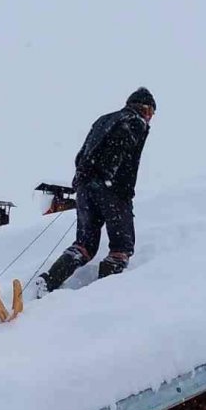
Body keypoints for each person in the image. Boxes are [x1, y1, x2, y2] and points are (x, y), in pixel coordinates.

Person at [36, 87, 156, 294]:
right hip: (111, 188)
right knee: (121, 247)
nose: (151, 118)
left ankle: (47, 282)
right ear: (146, 108)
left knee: (84, 245)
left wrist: (84, 179)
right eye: (152, 113)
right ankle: (101, 296)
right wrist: (119, 188)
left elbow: (82, 154)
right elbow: (122, 155)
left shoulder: (104, 119)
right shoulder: (135, 121)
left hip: (84, 186)